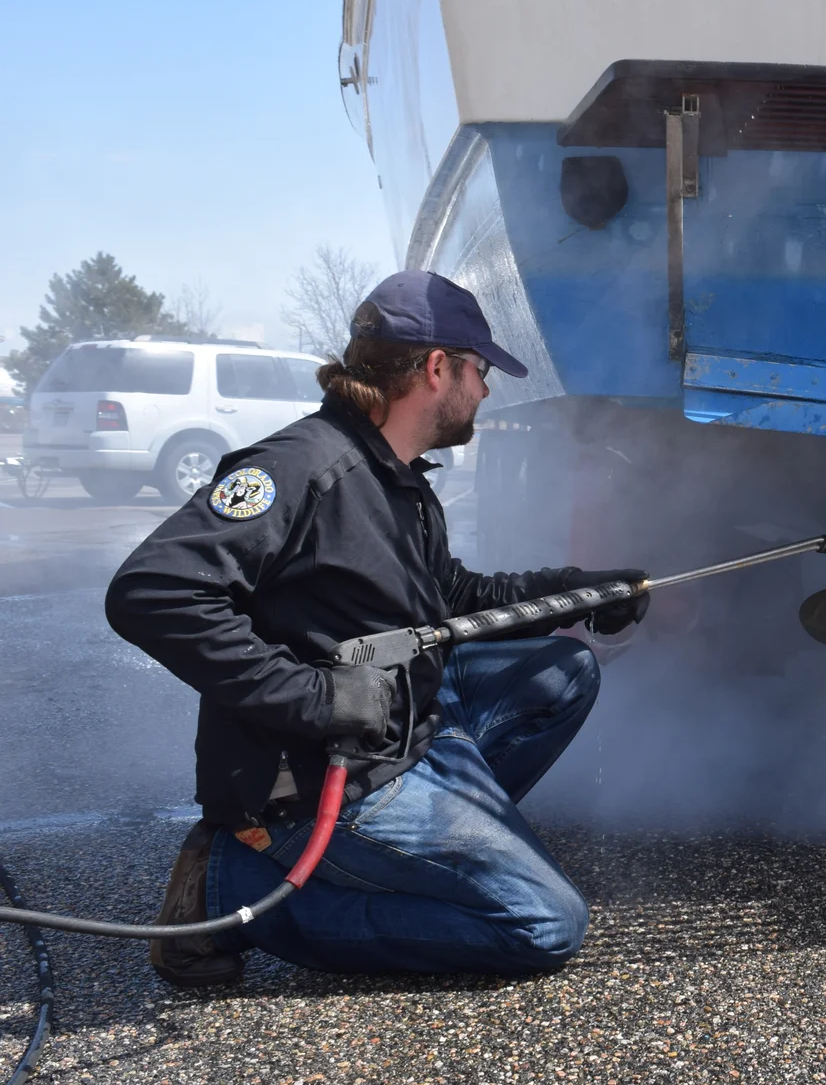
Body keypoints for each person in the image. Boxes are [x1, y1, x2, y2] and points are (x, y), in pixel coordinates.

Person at [105, 271, 649, 987]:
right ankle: (233, 888)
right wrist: (315, 697)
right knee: (546, 922)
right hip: (326, 768)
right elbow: (151, 592)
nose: (485, 390)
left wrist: (576, 592)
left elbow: (450, 597)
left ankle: (415, 863)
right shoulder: (300, 468)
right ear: (435, 368)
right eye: (479, 370)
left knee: (565, 671)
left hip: (402, 727)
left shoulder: (399, 477)